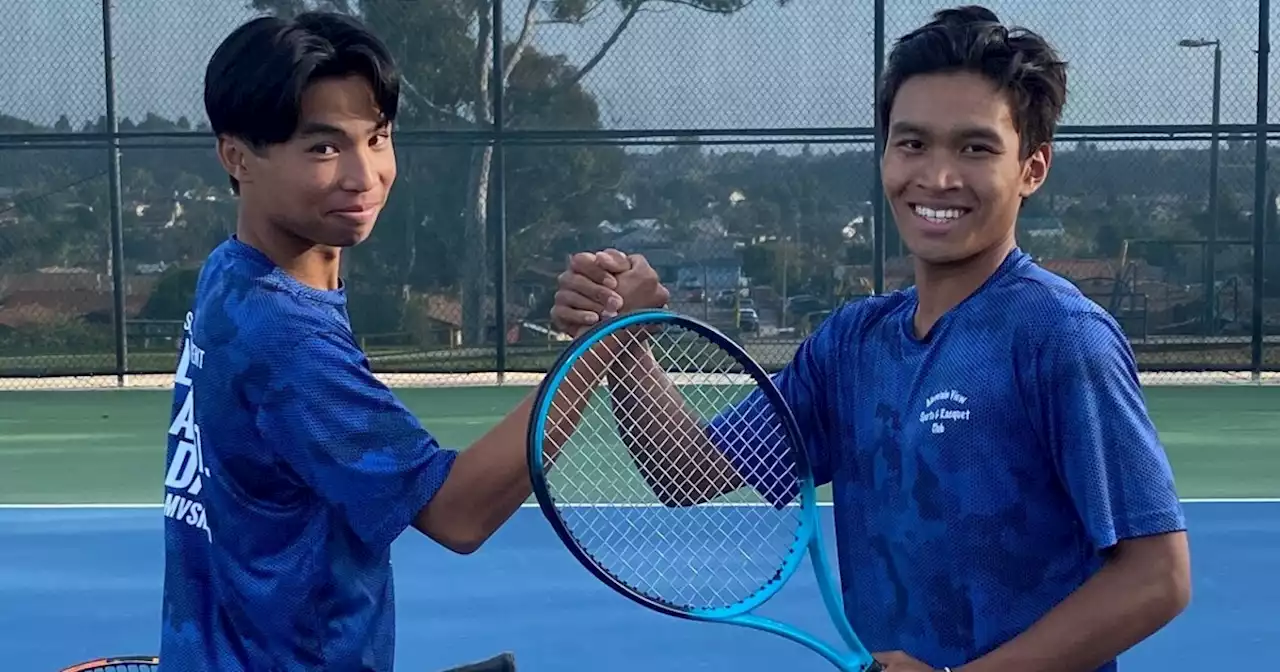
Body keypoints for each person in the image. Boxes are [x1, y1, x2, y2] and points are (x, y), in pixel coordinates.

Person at [551, 6, 1190, 672]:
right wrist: (623, 338)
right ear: (885, 153)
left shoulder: (1062, 337)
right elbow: (686, 471)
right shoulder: (853, 345)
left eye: (975, 148)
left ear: (1032, 167)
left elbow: (1157, 577)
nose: (936, 177)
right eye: (912, 143)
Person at [159, 11, 618, 672]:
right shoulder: (285, 335)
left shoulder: (229, 275)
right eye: (322, 148)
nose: (363, 174)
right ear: (237, 158)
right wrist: (595, 348)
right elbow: (458, 515)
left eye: (376, 138)